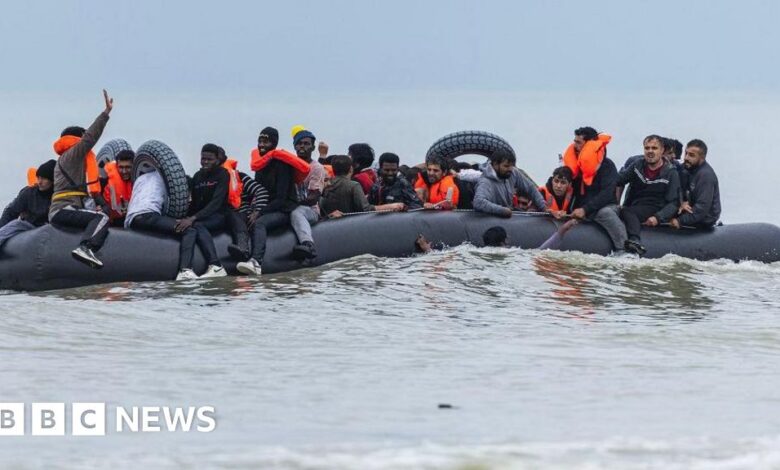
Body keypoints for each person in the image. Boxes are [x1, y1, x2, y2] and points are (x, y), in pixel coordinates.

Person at [49, 90, 114, 268]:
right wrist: (106, 114)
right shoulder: (73, 154)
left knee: (97, 215)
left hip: (62, 209)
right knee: (101, 218)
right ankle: (86, 248)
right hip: (64, 209)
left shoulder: (64, 160)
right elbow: (90, 138)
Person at [237, 127, 310, 276]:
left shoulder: (282, 165)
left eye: (266, 141)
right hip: (266, 207)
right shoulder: (260, 164)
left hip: (284, 209)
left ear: (274, 143)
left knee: (259, 223)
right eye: (260, 141)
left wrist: (260, 213)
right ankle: (241, 251)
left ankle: (256, 262)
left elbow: (281, 199)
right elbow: (258, 192)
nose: (262, 145)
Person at [125, 169, 213, 280]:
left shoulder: (141, 178)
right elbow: (172, 208)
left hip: (132, 219)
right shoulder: (169, 181)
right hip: (148, 216)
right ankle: (185, 271)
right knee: (189, 230)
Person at [562, 126, 628, 254]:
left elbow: (607, 193)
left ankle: (623, 249)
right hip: (581, 209)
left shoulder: (607, 166)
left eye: (578, 142)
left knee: (605, 214)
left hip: (605, 206)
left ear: (589, 144)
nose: (574, 145)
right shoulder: (576, 166)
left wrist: (585, 209)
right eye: (574, 141)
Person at [172, 144, 231, 279]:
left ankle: (216, 265)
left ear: (217, 160)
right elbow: (193, 203)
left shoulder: (223, 174)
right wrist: (184, 218)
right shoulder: (198, 176)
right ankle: (186, 268)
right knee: (192, 225)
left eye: (209, 159)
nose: (205, 162)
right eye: (203, 158)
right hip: (201, 216)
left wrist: (193, 219)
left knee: (197, 225)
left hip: (219, 215)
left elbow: (216, 203)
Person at [617, 135, 681, 255]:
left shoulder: (671, 173)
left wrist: (657, 217)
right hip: (637, 206)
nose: (650, 151)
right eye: (647, 148)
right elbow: (619, 180)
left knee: (627, 212)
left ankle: (635, 240)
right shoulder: (637, 165)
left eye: (654, 148)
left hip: (656, 207)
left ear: (662, 151)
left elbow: (674, 203)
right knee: (623, 211)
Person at [320, 155, 404, 217]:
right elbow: (366, 209)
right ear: (351, 169)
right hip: (348, 226)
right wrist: (392, 206)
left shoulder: (325, 185)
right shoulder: (353, 186)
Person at [473, 148, 546, 217]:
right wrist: (502, 210)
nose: (510, 169)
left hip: (509, 217)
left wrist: (544, 207)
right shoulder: (486, 182)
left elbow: (530, 188)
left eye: (512, 166)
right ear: (495, 164)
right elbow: (478, 202)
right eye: (506, 166)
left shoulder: (513, 173)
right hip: (493, 219)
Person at [0, 160, 55, 248]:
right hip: (29, 226)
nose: (40, 182)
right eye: (39, 178)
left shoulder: (58, 196)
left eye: (44, 179)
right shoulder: (29, 193)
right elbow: (11, 212)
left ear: (53, 180)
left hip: (49, 229)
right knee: (16, 224)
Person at [290, 129, 327, 260]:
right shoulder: (289, 166)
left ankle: (308, 244)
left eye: (306, 144)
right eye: (299, 143)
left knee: (297, 212)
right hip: (288, 206)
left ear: (312, 147)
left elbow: (313, 198)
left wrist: (292, 204)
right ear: (294, 146)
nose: (302, 146)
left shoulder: (316, 168)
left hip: (309, 210)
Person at [669, 139, 721, 229]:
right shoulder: (686, 168)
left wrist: (680, 221)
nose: (686, 158)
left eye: (691, 155)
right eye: (686, 153)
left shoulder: (705, 175)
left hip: (704, 220)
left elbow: (702, 208)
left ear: (702, 158)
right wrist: (680, 203)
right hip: (687, 210)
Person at [101, 150, 134, 226]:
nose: (124, 171)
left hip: (130, 220)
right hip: (110, 221)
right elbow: (95, 194)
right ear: (116, 166)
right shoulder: (105, 179)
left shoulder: (139, 180)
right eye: (121, 167)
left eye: (128, 167)